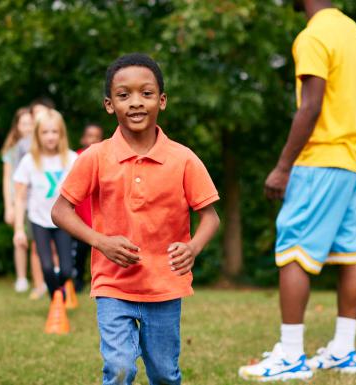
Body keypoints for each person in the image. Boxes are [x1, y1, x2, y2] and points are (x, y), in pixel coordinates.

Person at [52, 53, 220, 385]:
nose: (135, 102)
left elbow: (211, 217)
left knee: (164, 374)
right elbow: (60, 210)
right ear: (109, 104)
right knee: (119, 368)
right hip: (113, 284)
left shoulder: (183, 159)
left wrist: (194, 247)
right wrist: (100, 242)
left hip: (165, 286)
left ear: (162, 100)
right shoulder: (97, 156)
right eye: (123, 95)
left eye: (145, 93)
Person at [238, 0, 356, 381]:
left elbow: (311, 106)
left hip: (322, 159)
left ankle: (292, 356)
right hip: (355, 160)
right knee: (348, 254)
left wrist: (283, 167)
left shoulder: (313, 35)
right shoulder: (352, 31)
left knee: (293, 249)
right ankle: (344, 350)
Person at [13, 108, 78, 300]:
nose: (50, 137)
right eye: (45, 132)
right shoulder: (29, 161)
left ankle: (59, 293)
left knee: (66, 269)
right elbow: (20, 197)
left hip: (64, 221)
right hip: (39, 220)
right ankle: (57, 299)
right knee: (47, 267)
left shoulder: (72, 159)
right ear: (37, 135)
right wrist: (18, 229)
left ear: (61, 134)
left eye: (54, 132)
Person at [1, 107, 46, 296]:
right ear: (17, 126)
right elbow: (7, 178)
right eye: (24, 124)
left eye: (31, 123)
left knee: (37, 243)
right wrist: (9, 206)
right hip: (19, 201)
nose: (28, 127)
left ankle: (40, 281)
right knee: (20, 240)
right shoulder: (13, 149)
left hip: (36, 201)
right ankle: (21, 277)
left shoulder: (41, 146)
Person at [72, 123, 103, 292]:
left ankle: (97, 280)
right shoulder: (75, 157)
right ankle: (77, 280)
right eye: (89, 136)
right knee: (79, 252)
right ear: (83, 138)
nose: (92, 140)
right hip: (80, 216)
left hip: (96, 217)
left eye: (96, 137)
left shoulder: (103, 158)